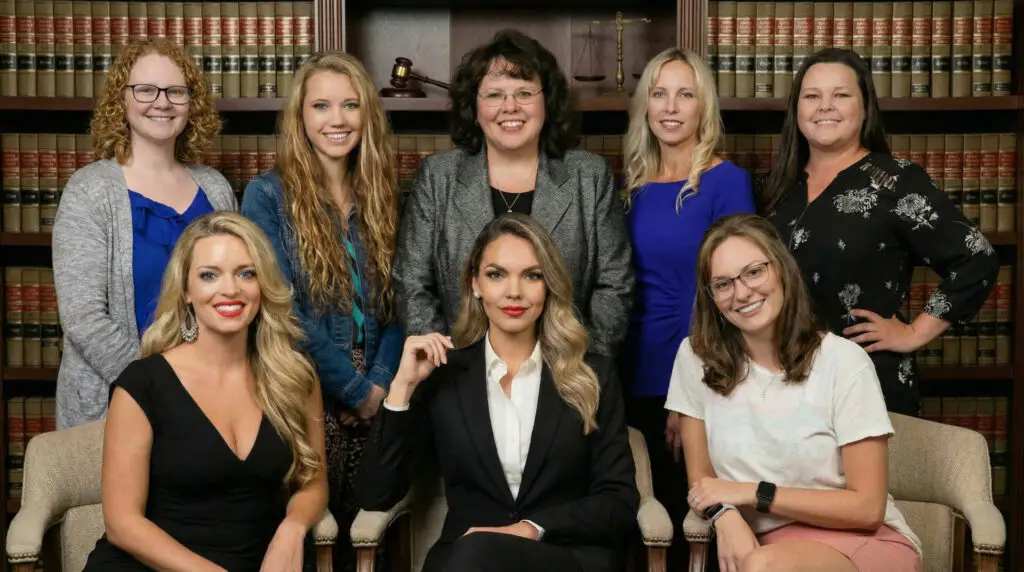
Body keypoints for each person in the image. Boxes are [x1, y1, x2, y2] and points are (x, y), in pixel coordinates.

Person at [359, 213, 638, 572]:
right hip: (466, 560)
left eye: (532, 275)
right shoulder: (444, 377)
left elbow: (618, 501)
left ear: (548, 285)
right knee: (473, 555)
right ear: (475, 283)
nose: (514, 292)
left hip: (563, 557)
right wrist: (401, 388)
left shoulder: (593, 374)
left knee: (476, 554)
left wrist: (530, 530)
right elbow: (376, 494)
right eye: (496, 274)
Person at [667, 213, 922, 572]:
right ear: (712, 297)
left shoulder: (843, 361)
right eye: (723, 284)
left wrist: (753, 493)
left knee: (762, 568)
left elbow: (867, 510)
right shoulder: (695, 358)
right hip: (770, 547)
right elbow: (702, 481)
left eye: (754, 272)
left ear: (782, 270)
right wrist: (724, 516)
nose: (742, 293)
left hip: (862, 541)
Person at [82, 211, 328, 572]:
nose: (230, 289)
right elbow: (122, 525)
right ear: (186, 291)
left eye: (246, 273)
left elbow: (314, 482)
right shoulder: (143, 383)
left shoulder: (295, 377)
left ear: (263, 284)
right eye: (209, 275)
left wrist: (292, 529)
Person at [760, 48, 999, 415]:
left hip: (867, 384)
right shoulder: (774, 188)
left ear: (866, 107)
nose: (825, 106)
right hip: (780, 385)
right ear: (796, 110)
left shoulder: (896, 181)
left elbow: (976, 256)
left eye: (841, 95)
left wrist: (915, 332)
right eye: (812, 96)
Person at [240, 51, 403, 570]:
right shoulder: (267, 196)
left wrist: (378, 385)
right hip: (305, 391)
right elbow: (280, 308)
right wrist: (353, 390)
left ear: (367, 115)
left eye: (350, 105)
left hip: (384, 392)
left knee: (374, 535)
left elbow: (407, 303)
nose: (337, 120)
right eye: (322, 106)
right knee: (314, 537)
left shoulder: (385, 193)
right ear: (301, 116)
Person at [393, 29, 633, 358]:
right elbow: (411, 283)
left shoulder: (590, 176)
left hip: (568, 374)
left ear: (547, 102)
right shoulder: (438, 177)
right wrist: (453, 370)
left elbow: (616, 285)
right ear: (474, 108)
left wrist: (578, 364)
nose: (510, 107)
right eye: (494, 95)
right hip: (459, 376)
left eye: (524, 93)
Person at [52, 38, 235, 429]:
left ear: (192, 102)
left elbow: (235, 293)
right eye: (146, 89)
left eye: (176, 91)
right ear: (122, 99)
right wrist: (160, 388)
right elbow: (83, 318)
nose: (162, 102)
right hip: (118, 401)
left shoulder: (215, 188)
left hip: (211, 398)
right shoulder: (90, 190)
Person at [619, 46, 754, 566]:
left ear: (704, 107)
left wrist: (690, 393)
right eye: (659, 94)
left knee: (688, 517)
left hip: (696, 369)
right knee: (637, 514)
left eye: (685, 94)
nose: (671, 107)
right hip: (630, 366)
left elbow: (737, 297)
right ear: (645, 106)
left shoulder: (726, 182)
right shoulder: (630, 183)